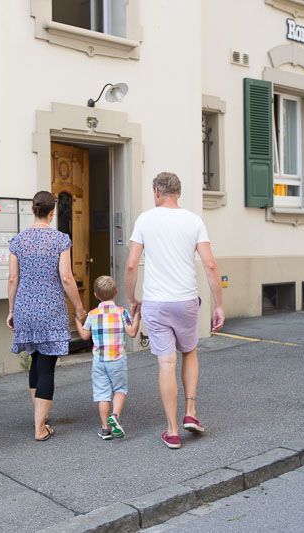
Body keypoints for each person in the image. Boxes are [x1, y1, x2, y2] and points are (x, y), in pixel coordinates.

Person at [125, 172, 225, 450]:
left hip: (156, 302)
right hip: (186, 300)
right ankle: (190, 411)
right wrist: (218, 305)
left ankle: (171, 431)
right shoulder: (194, 221)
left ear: (157, 192)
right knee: (189, 351)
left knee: (166, 363)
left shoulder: (145, 219)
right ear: (178, 192)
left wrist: (132, 298)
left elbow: (131, 264)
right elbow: (210, 265)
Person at [7, 191, 87, 442]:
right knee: (47, 367)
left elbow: (13, 278)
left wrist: (11, 310)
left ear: (33, 210)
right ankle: (40, 428)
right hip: (50, 310)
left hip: (25, 308)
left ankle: (39, 415)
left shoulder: (18, 240)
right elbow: (66, 277)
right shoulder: (60, 240)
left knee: (35, 360)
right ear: (52, 214)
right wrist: (80, 308)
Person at [75, 275, 141, 440]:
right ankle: (115, 416)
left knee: (102, 394)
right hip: (117, 359)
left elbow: (84, 336)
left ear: (96, 295)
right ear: (116, 292)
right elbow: (132, 332)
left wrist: (77, 321)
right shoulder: (121, 312)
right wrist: (138, 316)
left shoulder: (92, 314)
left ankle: (105, 428)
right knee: (120, 389)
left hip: (99, 361)